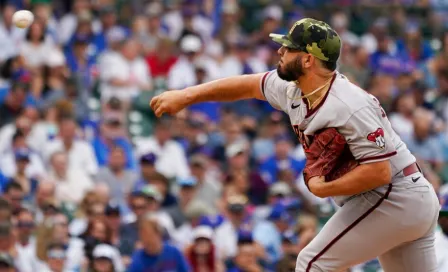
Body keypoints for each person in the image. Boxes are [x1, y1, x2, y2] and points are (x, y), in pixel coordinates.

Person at [150, 18, 440, 271]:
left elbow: (380, 172)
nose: (280, 51)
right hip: (402, 201)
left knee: (313, 264)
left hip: (395, 195)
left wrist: (323, 188)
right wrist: (187, 95)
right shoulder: (293, 88)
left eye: (288, 48)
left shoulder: (350, 104)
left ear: (307, 60)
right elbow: (247, 85)